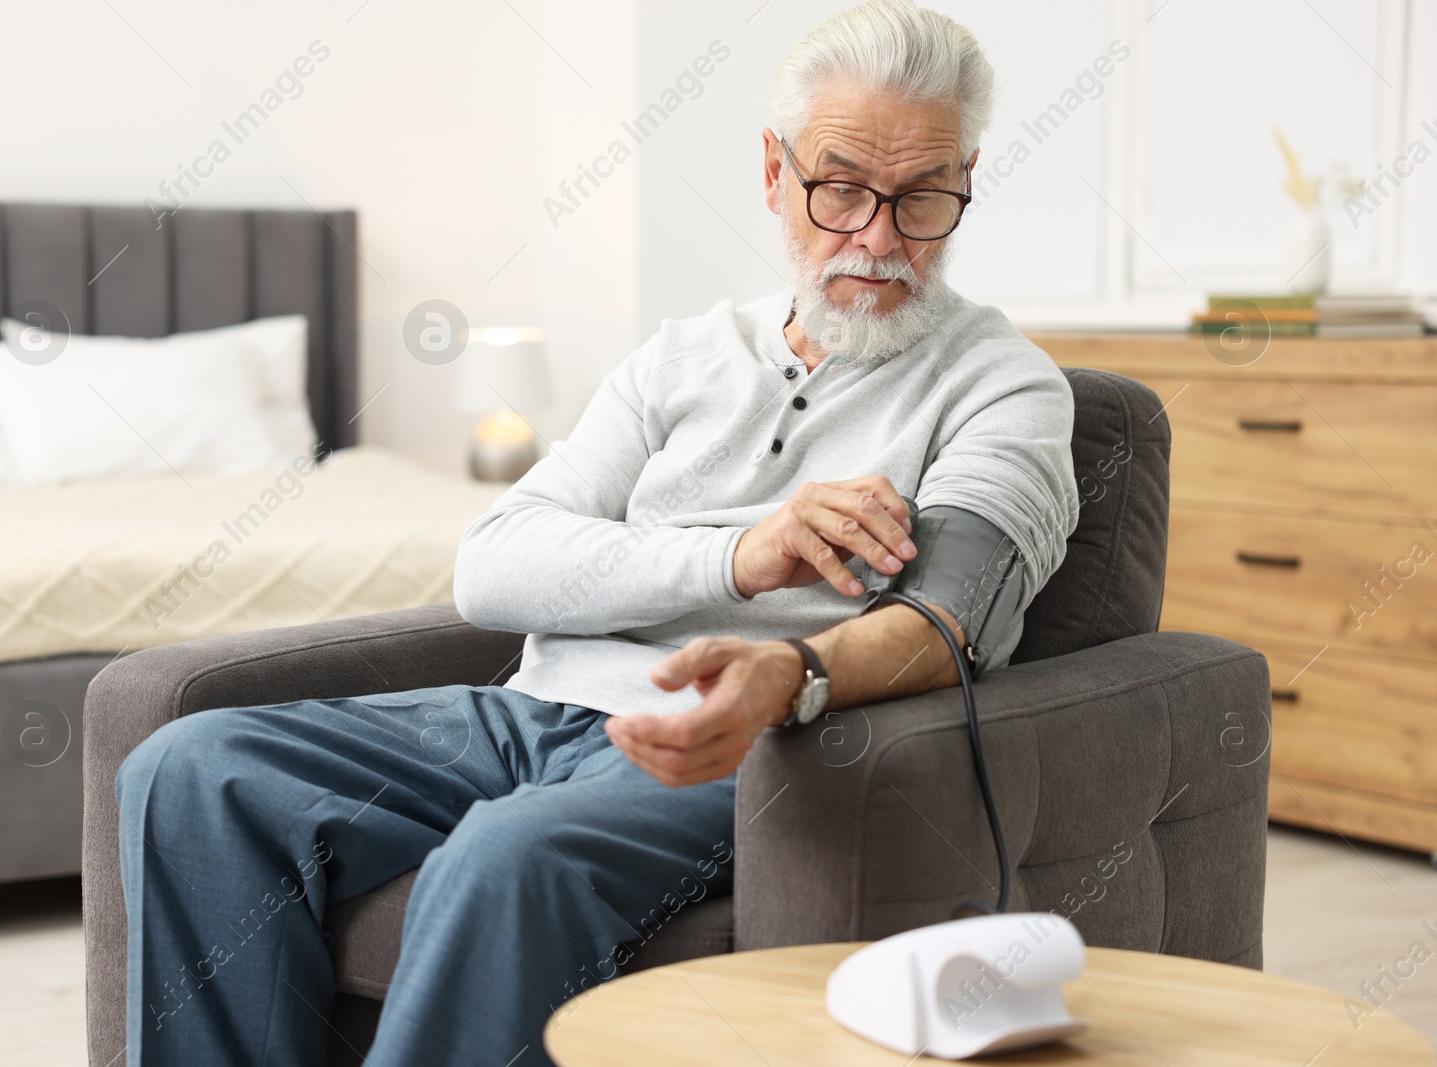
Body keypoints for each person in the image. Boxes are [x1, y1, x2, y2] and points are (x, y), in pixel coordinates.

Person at [114, 1, 1079, 1063]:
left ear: (966, 183)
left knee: (505, 856)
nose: (879, 236)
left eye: (923, 196)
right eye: (842, 186)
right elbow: (493, 564)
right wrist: (738, 554)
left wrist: (785, 675)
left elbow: (947, 622)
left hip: (737, 749)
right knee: (191, 766)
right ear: (774, 171)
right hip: (526, 713)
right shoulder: (682, 357)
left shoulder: (1002, 385)